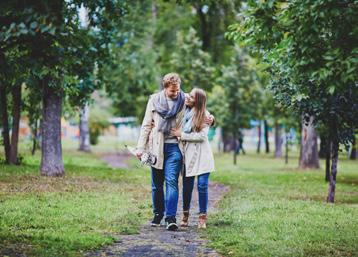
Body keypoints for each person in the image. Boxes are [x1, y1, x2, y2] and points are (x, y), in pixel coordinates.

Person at [136, 73, 214, 231]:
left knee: (171, 181)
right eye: (172, 91)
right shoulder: (153, 100)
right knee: (156, 185)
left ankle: (170, 218)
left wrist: (212, 118)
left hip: (175, 148)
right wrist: (140, 148)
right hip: (156, 147)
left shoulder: (183, 99)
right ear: (165, 88)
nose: (176, 93)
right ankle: (158, 214)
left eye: (178, 90)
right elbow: (146, 125)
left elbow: (200, 107)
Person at [170, 88, 215, 229]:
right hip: (187, 156)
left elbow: (202, 137)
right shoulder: (183, 113)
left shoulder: (205, 115)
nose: (187, 97)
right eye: (188, 95)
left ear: (198, 101)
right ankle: (185, 215)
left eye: (191, 97)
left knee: (202, 185)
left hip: (203, 155)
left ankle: (202, 218)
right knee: (187, 187)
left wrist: (181, 134)